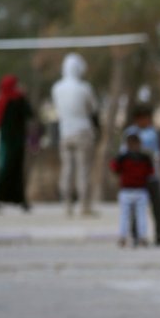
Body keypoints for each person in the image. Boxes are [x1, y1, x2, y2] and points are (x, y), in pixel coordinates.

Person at [52, 52, 99, 216]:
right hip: (82, 130)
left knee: (67, 169)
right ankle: (83, 206)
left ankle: (66, 205)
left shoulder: (57, 88)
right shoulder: (84, 88)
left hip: (65, 131)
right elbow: (93, 108)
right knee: (83, 170)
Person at [124, 106, 160, 246]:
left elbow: (157, 153)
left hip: (151, 175)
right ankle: (136, 235)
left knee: (158, 207)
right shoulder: (130, 133)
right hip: (136, 178)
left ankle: (159, 235)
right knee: (135, 208)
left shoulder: (153, 132)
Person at [0, 75, 33, 212]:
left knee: (11, 170)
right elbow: (29, 114)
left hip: (5, 140)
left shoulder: (1, 100)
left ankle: (19, 200)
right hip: (16, 141)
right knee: (9, 169)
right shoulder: (18, 99)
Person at [110, 133, 153, 248]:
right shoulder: (144, 158)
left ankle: (136, 237)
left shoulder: (124, 157)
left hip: (135, 190)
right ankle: (129, 237)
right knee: (132, 216)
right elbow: (150, 172)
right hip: (131, 190)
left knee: (135, 216)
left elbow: (114, 168)